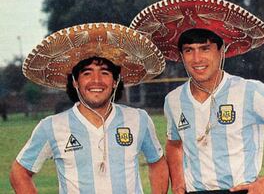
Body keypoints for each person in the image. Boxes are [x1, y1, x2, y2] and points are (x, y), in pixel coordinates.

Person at [130, 0, 264, 193]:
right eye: (189, 51)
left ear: (221, 51)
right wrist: (177, 182)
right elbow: (174, 144)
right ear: (181, 56)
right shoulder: (173, 100)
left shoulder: (249, 91)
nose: (197, 59)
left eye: (205, 48)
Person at [9, 23, 169, 194]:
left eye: (105, 73)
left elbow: (158, 163)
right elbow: (19, 172)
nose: (96, 81)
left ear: (115, 81)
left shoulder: (139, 119)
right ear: (75, 82)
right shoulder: (51, 126)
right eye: (87, 73)